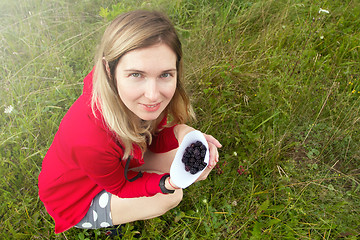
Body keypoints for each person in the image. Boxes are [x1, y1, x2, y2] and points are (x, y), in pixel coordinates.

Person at [38, 9, 221, 234]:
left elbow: (150, 140)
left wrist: (182, 132)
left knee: (180, 154)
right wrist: (165, 184)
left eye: (165, 74)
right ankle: (104, 220)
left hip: (117, 161)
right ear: (109, 69)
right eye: (137, 75)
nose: (153, 95)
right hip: (77, 198)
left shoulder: (134, 100)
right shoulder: (89, 139)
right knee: (171, 196)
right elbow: (121, 186)